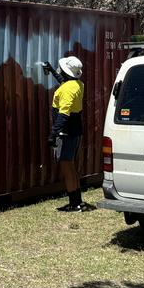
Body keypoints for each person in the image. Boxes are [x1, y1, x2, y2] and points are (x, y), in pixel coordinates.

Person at [48, 55, 93, 212]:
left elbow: (64, 114)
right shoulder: (78, 84)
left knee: (67, 168)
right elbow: (65, 83)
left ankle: (74, 205)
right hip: (75, 132)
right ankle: (78, 202)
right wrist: (53, 72)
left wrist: (54, 134)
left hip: (66, 133)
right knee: (72, 167)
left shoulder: (67, 89)